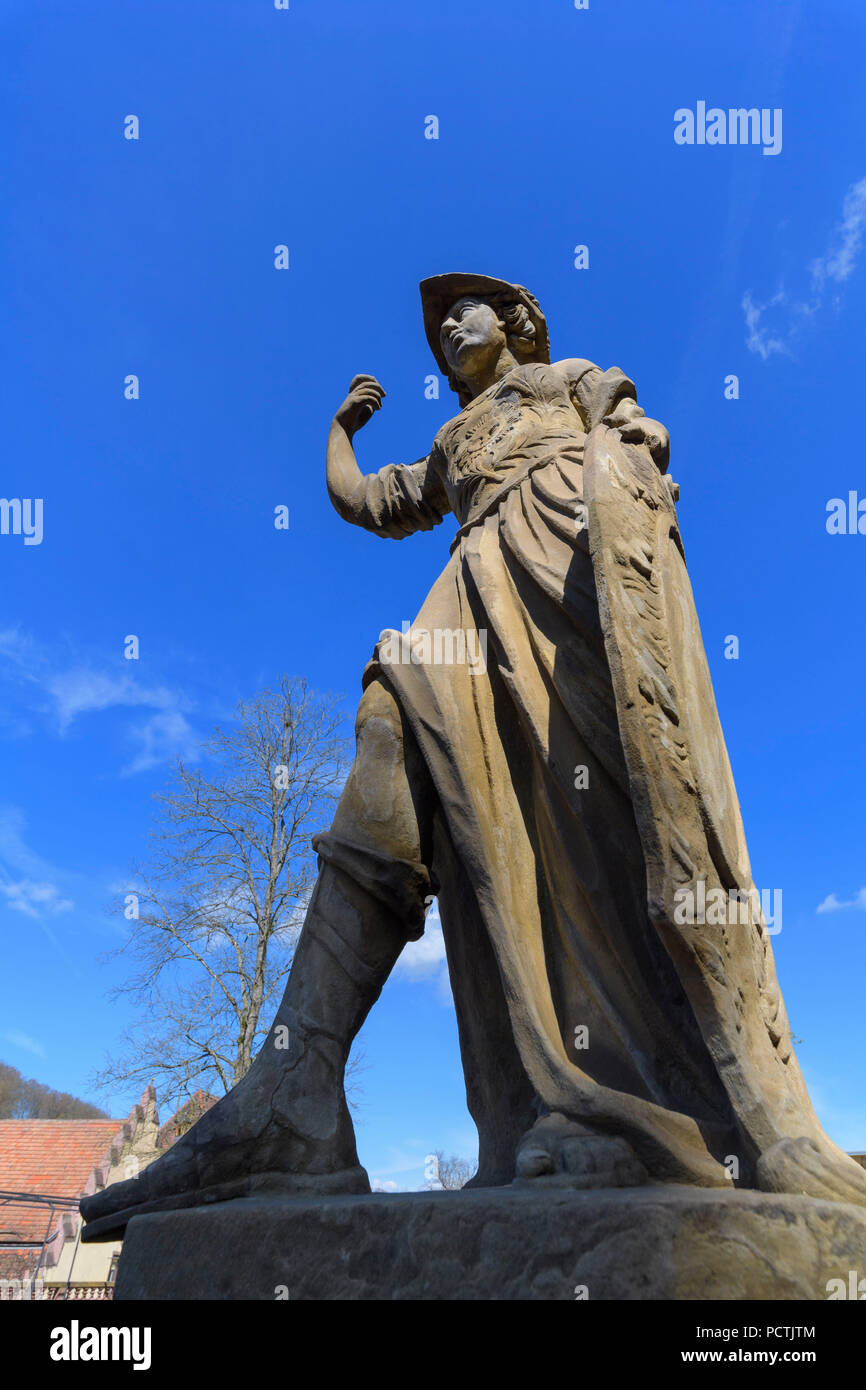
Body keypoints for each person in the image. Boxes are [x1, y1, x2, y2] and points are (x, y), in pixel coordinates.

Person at [82, 273, 866, 1240]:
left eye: (469, 309)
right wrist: (337, 432)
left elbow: (633, 438)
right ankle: (298, 1088)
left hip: (567, 569)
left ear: (520, 325)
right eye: (439, 322)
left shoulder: (563, 379)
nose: (451, 325)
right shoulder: (452, 443)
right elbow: (371, 502)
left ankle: (615, 1103)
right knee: (394, 717)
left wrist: (629, 449)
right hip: (469, 588)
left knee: (580, 825)